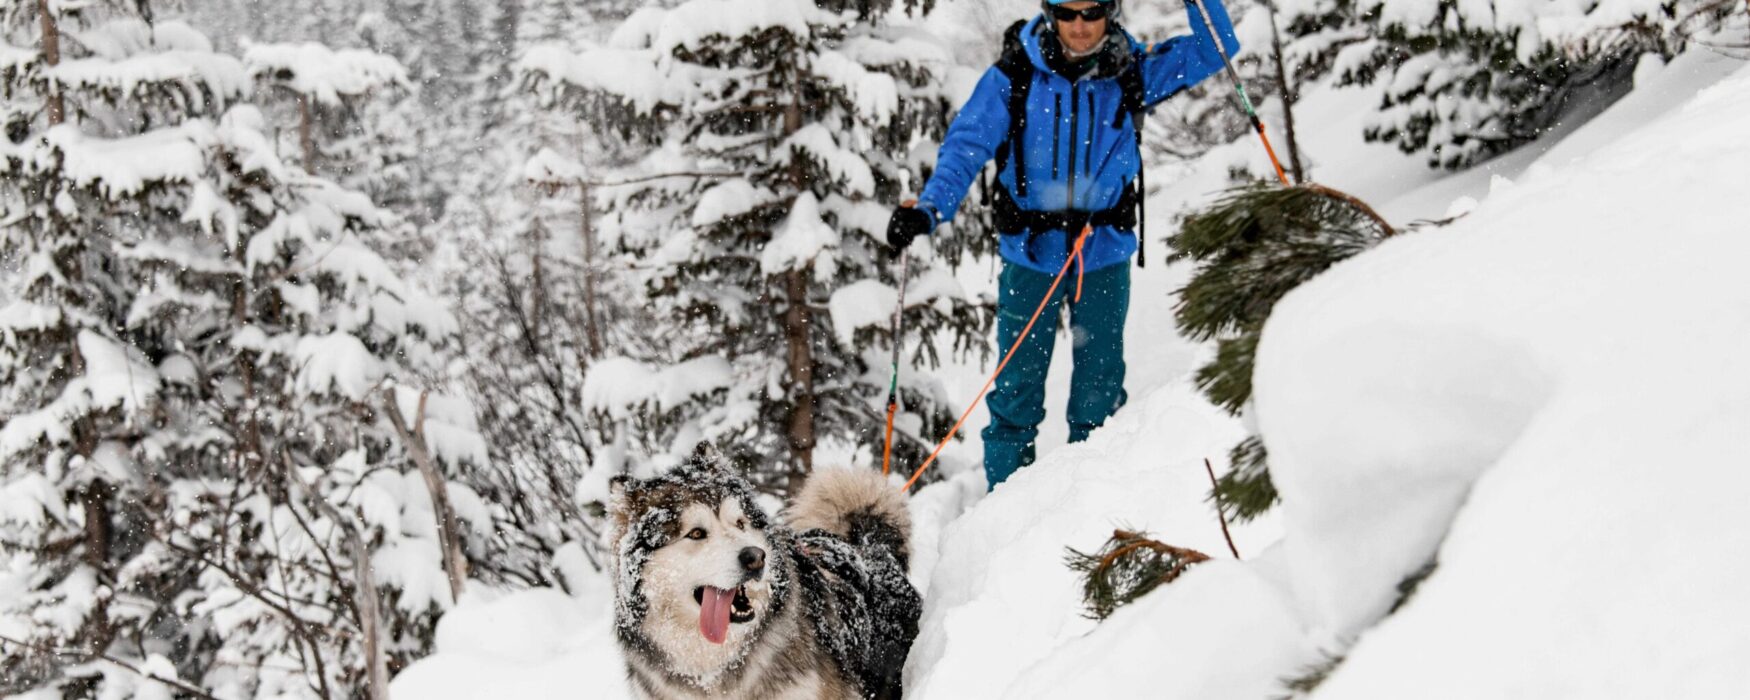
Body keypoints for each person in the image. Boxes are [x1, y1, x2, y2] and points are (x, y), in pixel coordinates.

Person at [886, 0, 1239, 489]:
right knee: (1015, 396)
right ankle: (1003, 509)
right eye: (1065, 12)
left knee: (1099, 395)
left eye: (1091, 12)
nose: (1078, 25)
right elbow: (966, 147)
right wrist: (929, 208)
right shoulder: (1014, 75)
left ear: (1110, 12)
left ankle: (1090, 508)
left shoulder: (1131, 70)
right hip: (1030, 256)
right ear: (1049, 13)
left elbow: (1216, 48)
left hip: (1103, 254)